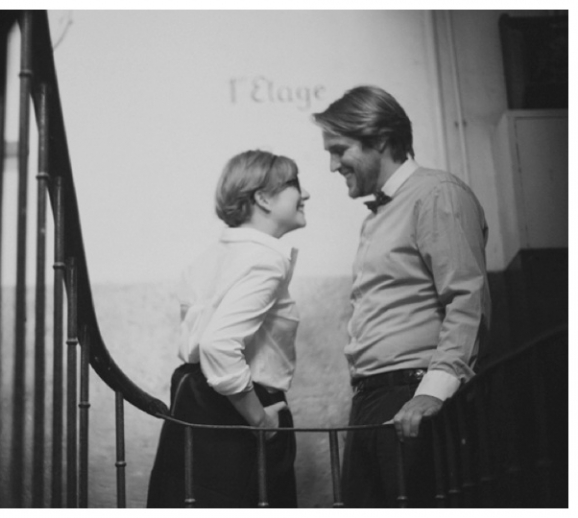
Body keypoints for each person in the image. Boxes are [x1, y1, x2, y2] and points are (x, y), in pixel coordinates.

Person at [311, 85, 490, 507]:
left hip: (415, 397)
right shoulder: (379, 214)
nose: (334, 165)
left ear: (381, 140)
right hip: (374, 399)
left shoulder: (436, 193)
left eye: (339, 150)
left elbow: (467, 298)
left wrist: (433, 392)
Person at [146, 149, 310, 508]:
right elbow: (217, 345)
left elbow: (196, 341)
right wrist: (259, 419)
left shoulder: (207, 258)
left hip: (193, 403)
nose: (306, 194)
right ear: (263, 198)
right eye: (295, 184)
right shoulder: (266, 259)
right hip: (238, 414)